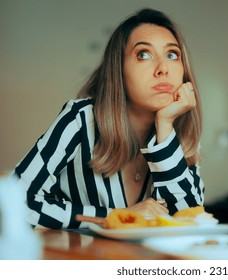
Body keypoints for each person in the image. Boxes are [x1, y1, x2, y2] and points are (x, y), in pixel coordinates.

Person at [11, 8, 205, 229]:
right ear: (119, 70)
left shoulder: (179, 132)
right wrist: (114, 217)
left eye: (172, 55)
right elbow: (14, 202)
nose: (163, 68)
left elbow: (191, 221)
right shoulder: (80, 119)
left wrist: (165, 126)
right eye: (143, 54)